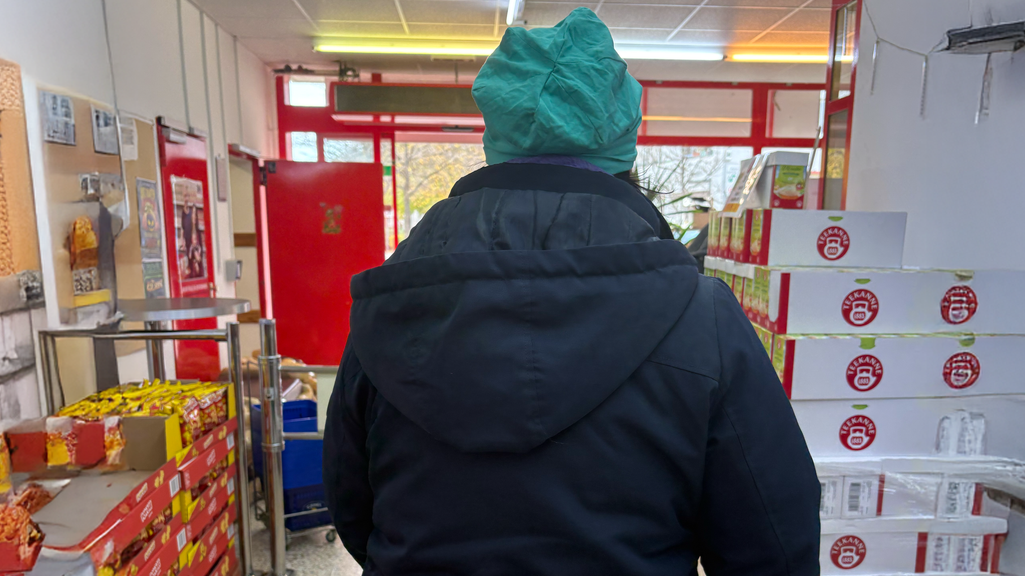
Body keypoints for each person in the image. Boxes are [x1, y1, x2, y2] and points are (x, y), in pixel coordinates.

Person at [324, 8, 820, 576]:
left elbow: (353, 505)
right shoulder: (700, 317)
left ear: (496, 134)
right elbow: (773, 540)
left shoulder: (393, 301)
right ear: (622, 140)